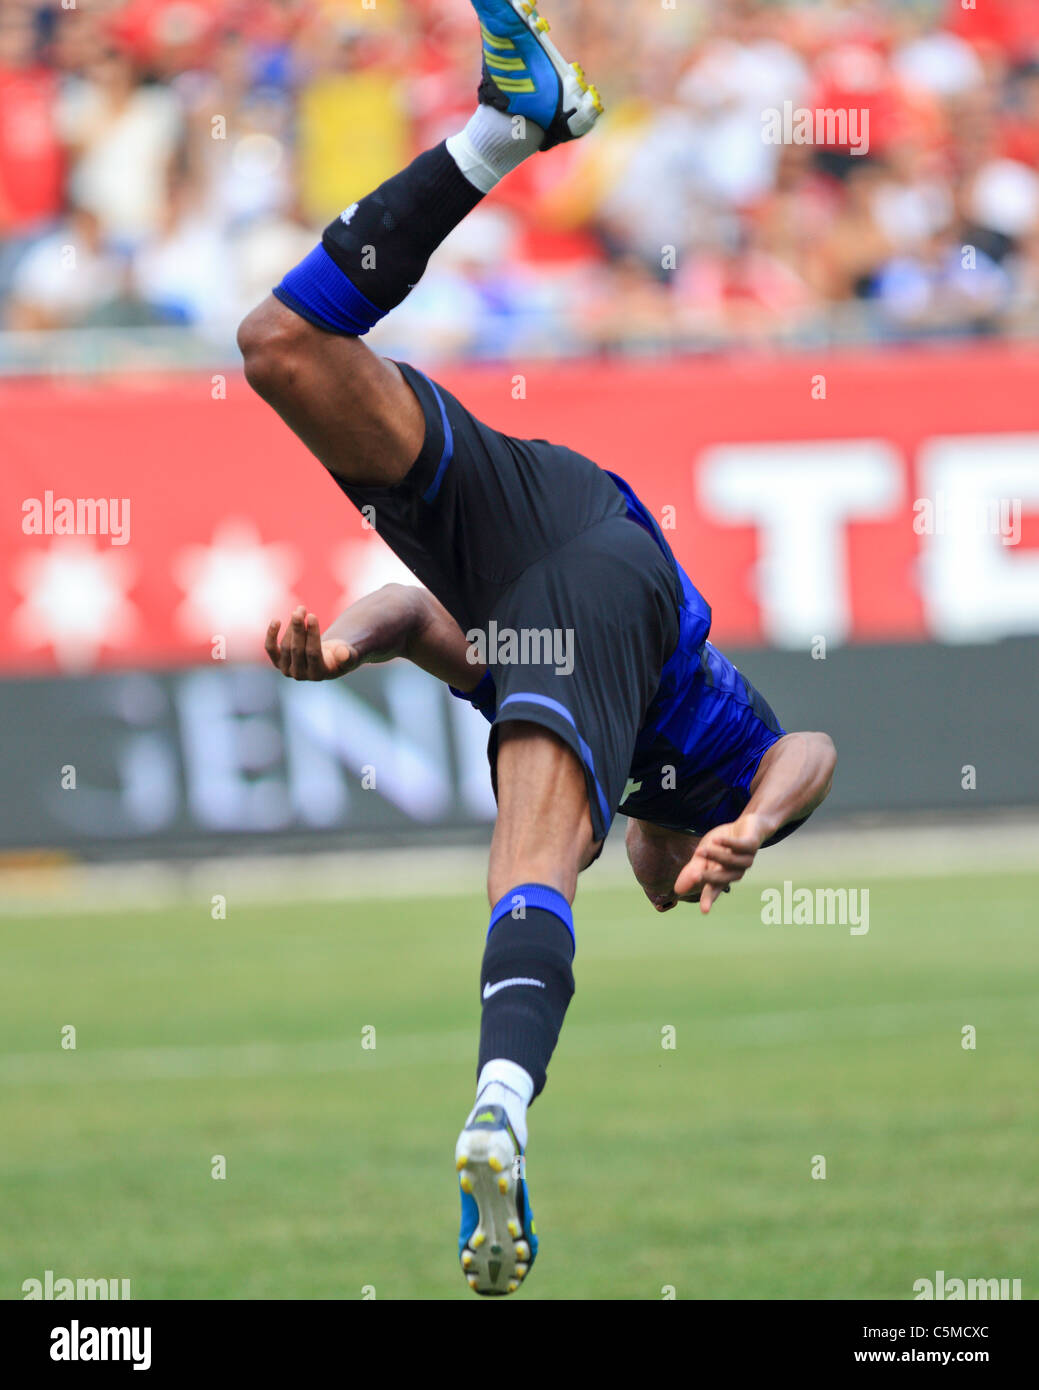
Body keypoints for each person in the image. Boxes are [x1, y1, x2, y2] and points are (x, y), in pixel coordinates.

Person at [239, 0, 836, 1297]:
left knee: (281, 347)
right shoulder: (701, 748)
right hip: (602, 558)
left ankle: (507, 127)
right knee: (539, 843)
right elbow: (812, 745)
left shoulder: (570, 720)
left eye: (677, 882)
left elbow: (414, 620)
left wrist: (339, 650)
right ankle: (502, 1105)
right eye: (676, 876)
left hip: (514, 538)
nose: (671, 879)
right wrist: (758, 827)